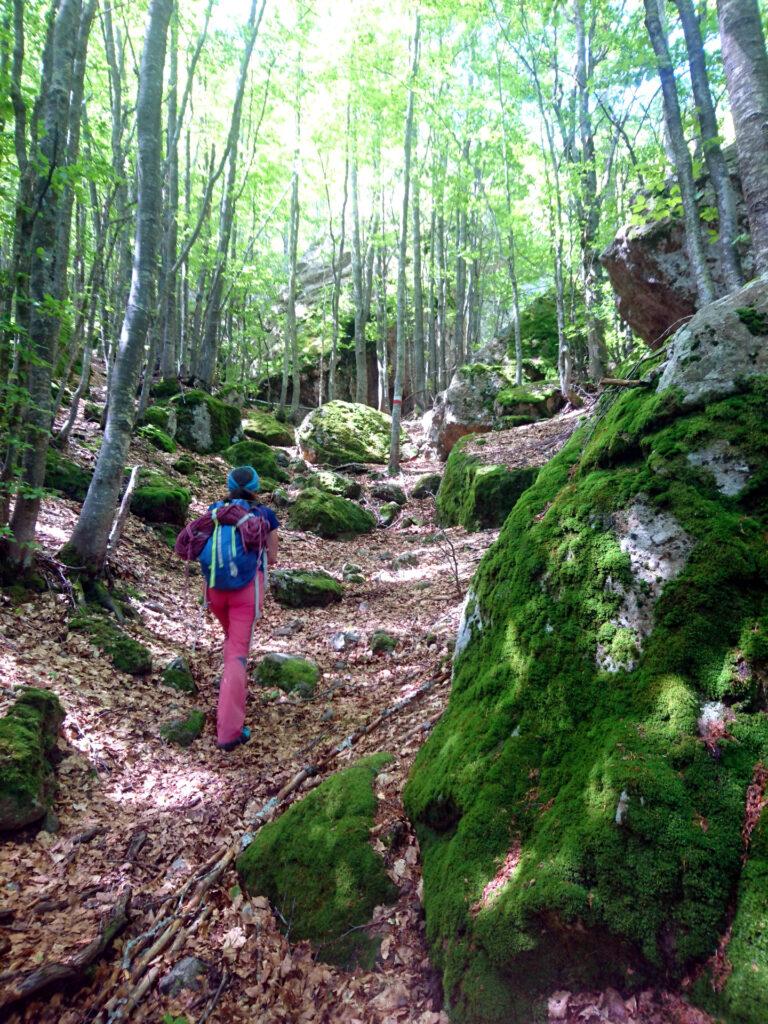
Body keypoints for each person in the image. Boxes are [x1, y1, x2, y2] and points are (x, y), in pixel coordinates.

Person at [203, 465, 279, 751]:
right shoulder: (264, 515)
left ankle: (228, 691)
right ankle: (229, 732)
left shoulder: (215, 510)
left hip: (214, 590)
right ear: (257, 487)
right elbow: (272, 557)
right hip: (246, 591)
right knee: (237, 655)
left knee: (231, 643)